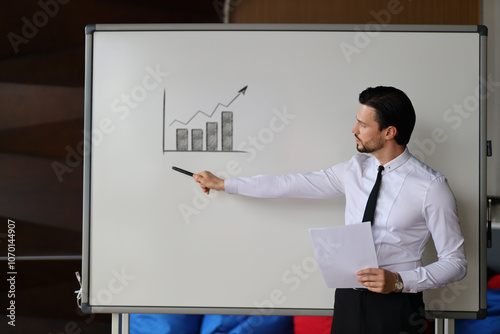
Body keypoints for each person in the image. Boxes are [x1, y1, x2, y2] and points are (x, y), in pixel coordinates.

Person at [193, 86, 467, 334]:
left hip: (398, 306)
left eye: (362, 124)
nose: (353, 129)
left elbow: (456, 263)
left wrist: (399, 281)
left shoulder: (431, 187)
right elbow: (290, 184)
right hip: (348, 299)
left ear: (389, 132)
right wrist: (224, 184)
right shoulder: (354, 169)